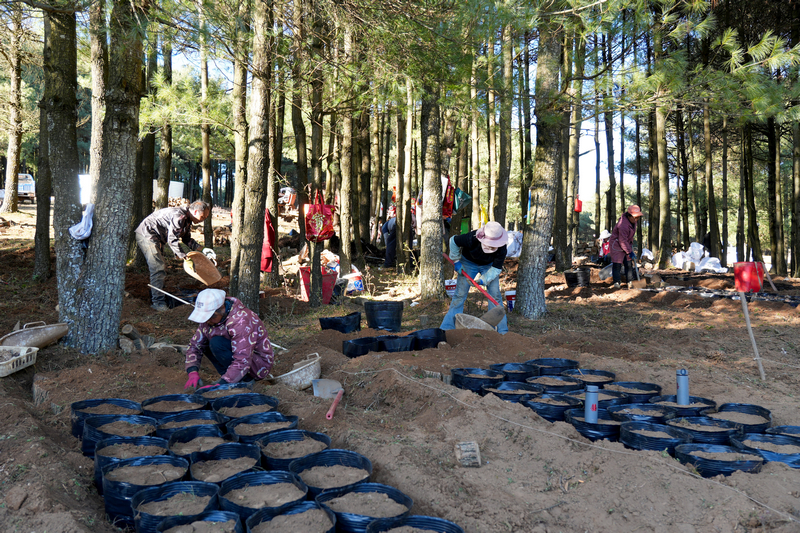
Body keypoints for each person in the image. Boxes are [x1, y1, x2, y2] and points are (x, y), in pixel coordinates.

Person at [183, 288, 276, 391]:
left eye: (210, 317)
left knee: (216, 342)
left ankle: (245, 380)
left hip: (257, 365)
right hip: (238, 357)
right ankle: (229, 377)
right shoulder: (210, 320)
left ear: (221, 310)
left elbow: (243, 358)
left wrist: (223, 384)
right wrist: (192, 371)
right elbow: (195, 345)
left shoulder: (241, 320)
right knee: (207, 342)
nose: (207, 321)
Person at [135, 200, 212, 311]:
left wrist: (203, 249)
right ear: (195, 211)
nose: (203, 220)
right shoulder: (179, 216)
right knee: (158, 268)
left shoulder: (187, 219)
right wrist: (184, 257)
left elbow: (187, 239)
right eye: (203, 217)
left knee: (159, 267)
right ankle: (158, 303)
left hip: (156, 237)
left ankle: (157, 293)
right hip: (147, 235)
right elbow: (172, 240)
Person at [440, 221, 508, 334]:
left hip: (489, 266)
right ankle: (447, 329)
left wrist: (483, 280)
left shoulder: (502, 248)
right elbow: (453, 241)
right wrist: (456, 261)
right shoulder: (472, 238)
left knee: (495, 295)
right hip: (468, 263)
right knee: (459, 295)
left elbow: (496, 268)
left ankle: (502, 331)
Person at [609, 205, 644, 289]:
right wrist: (629, 252)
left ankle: (630, 282)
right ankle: (617, 282)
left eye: (638, 217)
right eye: (635, 217)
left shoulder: (633, 222)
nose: (636, 220)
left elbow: (628, 238)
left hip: (626, 244)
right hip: (617, 244)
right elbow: (622, 240)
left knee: (628, 264)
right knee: (617, 264)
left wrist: (629, 248)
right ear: (629, 216)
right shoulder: (623, 225)